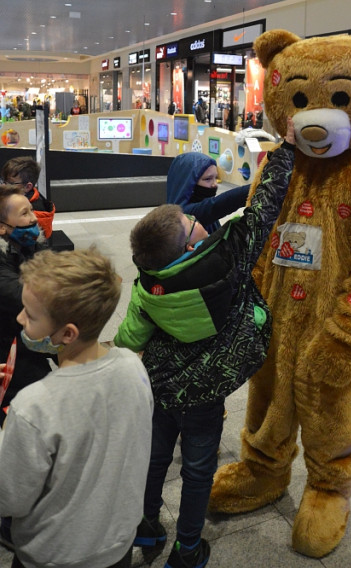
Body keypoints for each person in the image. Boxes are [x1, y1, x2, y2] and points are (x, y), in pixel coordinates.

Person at [114, 118, 296, 568]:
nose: (197, 221)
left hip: (160, 388)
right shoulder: (225, 264)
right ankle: (188, 548)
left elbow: (127, 339)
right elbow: (261, 210)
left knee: (155, 460)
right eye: (189, 224)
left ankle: (147, 525)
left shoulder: (148, 281)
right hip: (204, 394)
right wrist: (287, 149)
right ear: (190, 247)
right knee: (197, 472)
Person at [0, 248, 153, 568]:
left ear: (67, 333)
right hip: (116, 544)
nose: (19, 318)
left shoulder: (33, 406)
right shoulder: (133, 366)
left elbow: (9, 498)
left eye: (29, 314)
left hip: (53, 555)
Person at [0, 185, 49, 426]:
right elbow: (25, 296)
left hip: (32, 340)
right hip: (8, 348)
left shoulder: (34, 242)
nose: (33, 218)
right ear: (2, 226)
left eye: (31, 210)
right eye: (24, 213)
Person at [166, 152, 250, 234]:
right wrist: (253, 188)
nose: (215, 184)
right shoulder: (183, 216)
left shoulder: (205, 212)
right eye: (208, 179)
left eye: (215, 178)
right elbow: (217, 205)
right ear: (188, 183)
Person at [1, 157, 55, 239]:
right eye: (3, 181)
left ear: (27, 186)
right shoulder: (21, 199)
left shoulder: (35, 212)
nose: (4, 186)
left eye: (10, 184)